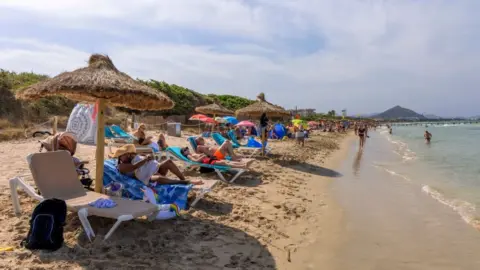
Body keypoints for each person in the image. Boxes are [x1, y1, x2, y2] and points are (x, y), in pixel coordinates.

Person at [112, 144, 203, 186]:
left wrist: (148, 157)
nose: (127, 155)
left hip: (155, 168)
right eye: (124, 155)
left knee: (168, 162)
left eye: (128, 153)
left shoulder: (134, 158)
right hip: (147, 176)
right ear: (120, 157)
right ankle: (184, 183)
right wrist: (146, 159)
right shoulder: (121, 166)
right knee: (158, 178)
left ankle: (183, 179)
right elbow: (134, 167)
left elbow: (147, 158)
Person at [180, 147, 252, 169]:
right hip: (206, 161)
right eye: (185, 150)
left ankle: (243, 164)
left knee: (226, 161)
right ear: (184, 153)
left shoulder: (192, 153)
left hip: (207, 159)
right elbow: (195, 162)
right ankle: (243, 166)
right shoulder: (189, 156)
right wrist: (202, 156)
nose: (187, 150)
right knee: (223, 163)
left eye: (187, 149)